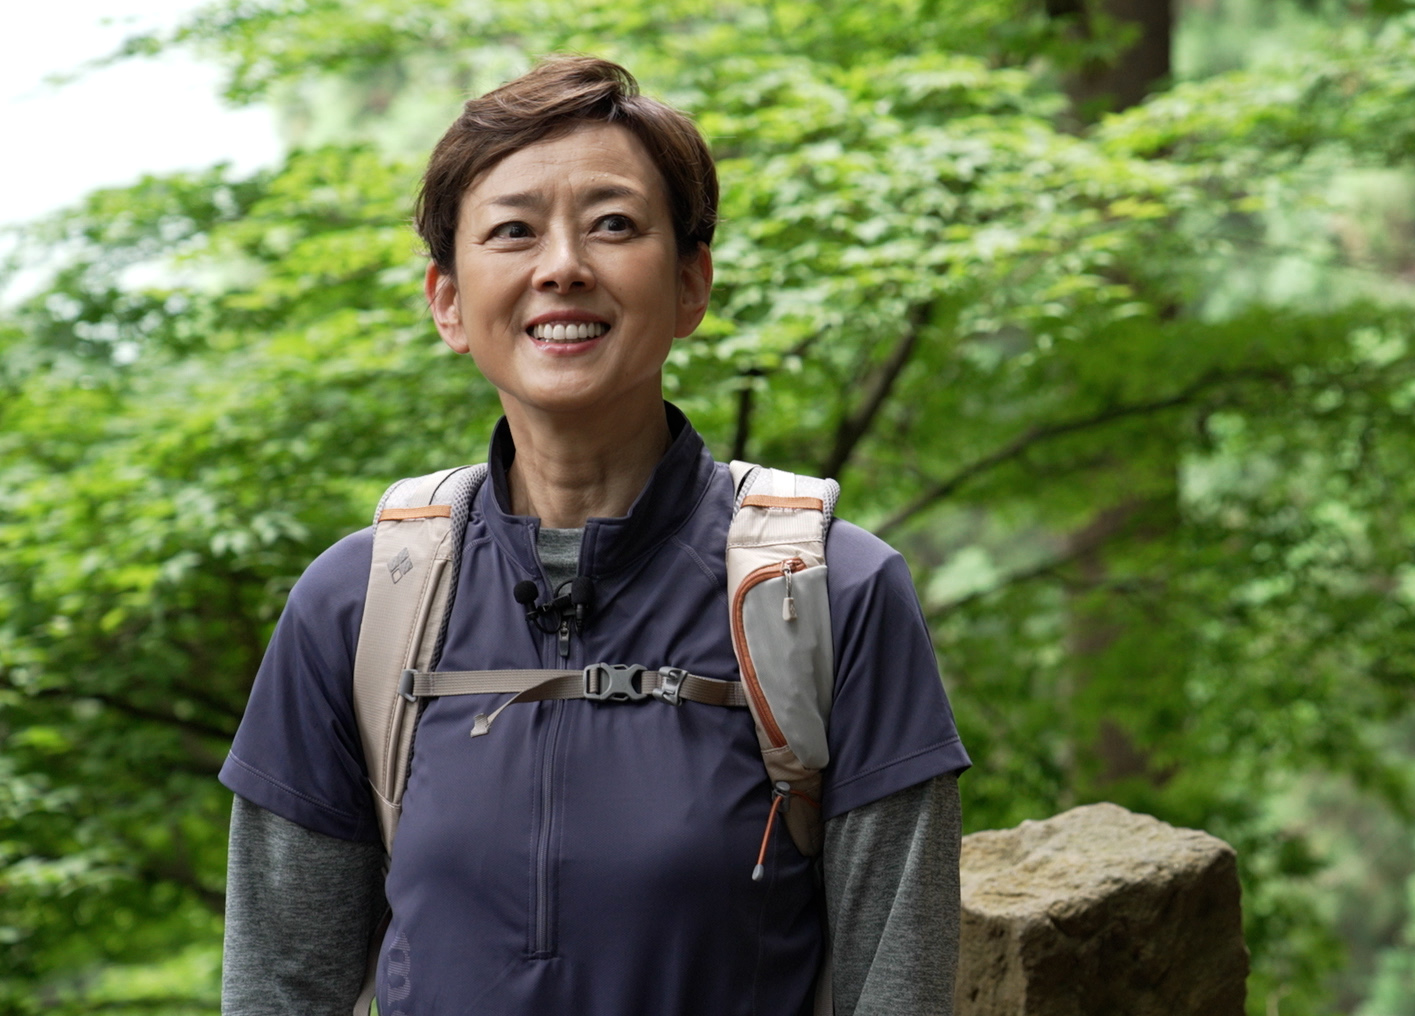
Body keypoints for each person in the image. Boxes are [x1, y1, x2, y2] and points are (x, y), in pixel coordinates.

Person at [218, 55, 970, 1016]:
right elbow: (281, 985)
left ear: (691, 283)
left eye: (613, 224)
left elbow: (897, 991)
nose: (563, 266)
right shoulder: (362, 602)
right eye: (512, 232)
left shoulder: (832, 592)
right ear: (448, 300)